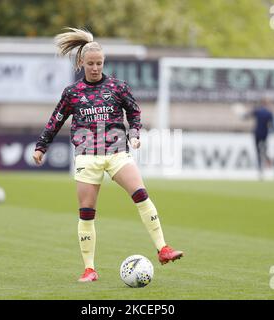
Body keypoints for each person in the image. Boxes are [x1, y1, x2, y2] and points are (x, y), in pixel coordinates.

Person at [32, 28, 183, 282]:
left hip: (116, 152)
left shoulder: (117, 87)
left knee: (140, 193)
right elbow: (56, 119)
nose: (95, 67)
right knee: (87, 211)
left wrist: (134, 133)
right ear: (82, 63)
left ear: (104, 63)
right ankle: (89, 269)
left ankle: (163, 249)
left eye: (99, 63)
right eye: (90, 63)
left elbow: (134, 112)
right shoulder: (72, 92)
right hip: (86, 155)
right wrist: (41, 146)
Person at [243, 98, 274, 174]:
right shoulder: (269, 113)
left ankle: (260, 167)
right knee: (264, 150)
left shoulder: (258, 110)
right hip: (265, 134)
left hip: (257, 133)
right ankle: (266, 162)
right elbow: (272, 125)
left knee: (258, 151)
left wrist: (242, 115)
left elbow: (247, 116)